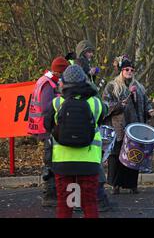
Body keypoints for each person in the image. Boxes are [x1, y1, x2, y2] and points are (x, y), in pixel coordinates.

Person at [44, 64, 106, 218]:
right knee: (90, 203)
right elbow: (100, 121)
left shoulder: (57, 103)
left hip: (63, 161)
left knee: (65, 205)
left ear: (64, 83)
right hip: (89, 161)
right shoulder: (96, 103)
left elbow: (47, 125)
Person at [102, 56, 154, 194]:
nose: (129, 71)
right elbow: (105, 105)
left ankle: (132, 184)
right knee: (118, 155)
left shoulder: (139, 87)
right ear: (121, 70)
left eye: (132, 69)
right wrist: (119, 105)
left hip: (136, 126)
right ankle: (116, 185)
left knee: (134, 155)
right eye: (126, 69)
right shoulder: (112, 86)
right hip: (119, 126)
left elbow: (146, 102)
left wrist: (149, 110)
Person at [28, 56, 69, 207]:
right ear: (59, 72)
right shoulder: (48, 84)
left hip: (44, 127)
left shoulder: (47, 80)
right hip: (46, 128)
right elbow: (47, 108)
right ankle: (50, 196)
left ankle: (52, 195)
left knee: (51, 160)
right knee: (50, 161)